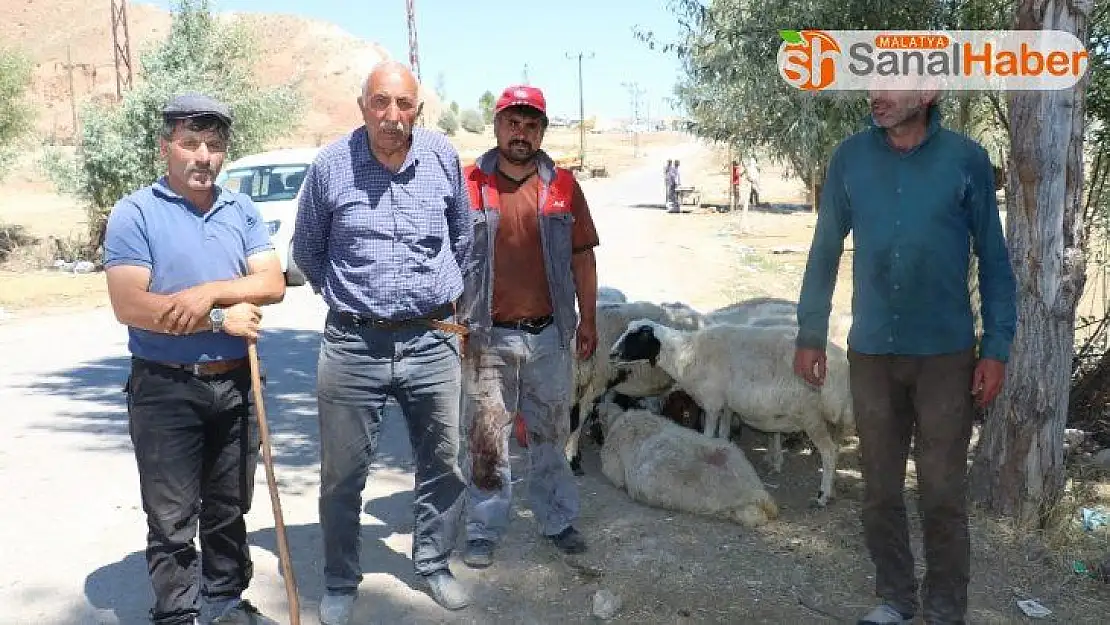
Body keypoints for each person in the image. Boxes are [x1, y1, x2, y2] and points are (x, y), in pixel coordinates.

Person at [793, 78, 1016, 625]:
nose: (877, 94)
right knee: (879, 488)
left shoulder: (967, 160)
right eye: (873, 81)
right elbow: (825, 247)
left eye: (893, 83)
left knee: (941, 491)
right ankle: (895, 598)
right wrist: (809, 331)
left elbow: (993, 259)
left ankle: (944, 610)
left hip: (945, 354)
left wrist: (997, 346)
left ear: (929, 92)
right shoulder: (849, 158)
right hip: (871, 352)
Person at [291, 60, 474, 622]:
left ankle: (434, 562)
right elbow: (307, 250)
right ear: (362, 104)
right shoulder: (330, 166)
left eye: (404, 105)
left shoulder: (442, 157)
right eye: (381, 103)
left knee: (444, 461)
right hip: (353, 347)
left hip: (432, 339)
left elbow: (464, 238)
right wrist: (351, 301)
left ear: (418, 109)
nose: (392, 116)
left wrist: (438, 302)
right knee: (342, 474)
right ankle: (341, 580)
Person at [102, 92, 287, 625]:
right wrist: (217, 318)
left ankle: (225, 602)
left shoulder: (241, 209)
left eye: (214, 145)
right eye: (190, 143)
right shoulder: (136, 212)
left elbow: (272, 281)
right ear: (166, 148)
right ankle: (177, 614)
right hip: (165, 387)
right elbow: (130, 304)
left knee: (229, 508)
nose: (203, 156)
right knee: (172, 517)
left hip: (237, 384)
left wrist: (206, 292)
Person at [456, 84, 600, 569]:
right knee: (486, 438)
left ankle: (557, 519)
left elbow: (583, 259)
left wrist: (589, 321)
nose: (521, 133)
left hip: (549, 335)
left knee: (550, 435)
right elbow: (445, 257)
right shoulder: (468, 182)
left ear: (542, 131)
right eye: (512, 123)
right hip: (486, 337)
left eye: (531, 124)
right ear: (497, 125)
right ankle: (483, 528)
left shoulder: (563, 186)